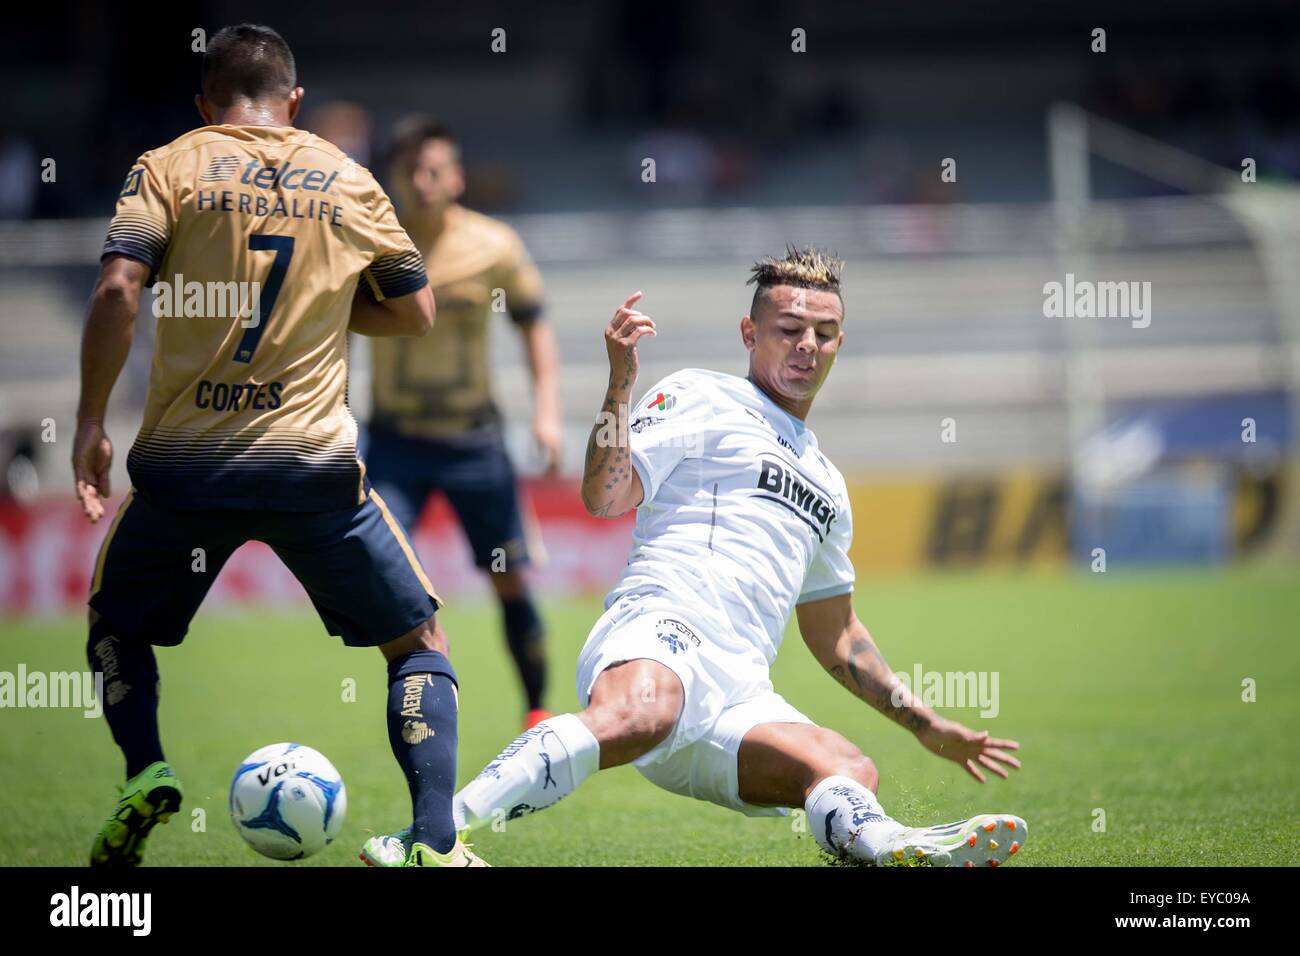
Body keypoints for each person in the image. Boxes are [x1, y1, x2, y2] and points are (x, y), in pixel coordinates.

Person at [363, 246, 1027, 867]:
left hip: (739, 692)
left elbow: (838, 634)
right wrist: (620, 383)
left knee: (847, 769)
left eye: (822, 333)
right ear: (750, 333)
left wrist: (923, 721)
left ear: (839, 343)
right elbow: (604, 495)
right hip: (659, 631)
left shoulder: (827, 482)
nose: (806, 346)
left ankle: (891, 848)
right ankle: (436, 836)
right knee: (644, 709)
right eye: (788, 328)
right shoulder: (702, 396)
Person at [77, 24, 481, 867]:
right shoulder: (346, 175)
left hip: (187, 467)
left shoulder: (170, 164)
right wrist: (326, 309)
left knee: (118, 624)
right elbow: (415, 312)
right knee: (417, 644)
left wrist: (88, 423)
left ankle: (145, 768)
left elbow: (119, 288)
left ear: (205, 102)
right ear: (294, 103)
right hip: (312, 466)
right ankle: (434, 839)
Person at [363, 117, 560, 729]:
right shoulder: (369, 244)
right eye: (410, 171)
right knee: (390, 578)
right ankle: (419, 712)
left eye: (435, 170)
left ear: (456, 177)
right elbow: (336, 330)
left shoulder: (494, 246)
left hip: (474, 442)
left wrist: (546, 412)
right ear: (392, 178)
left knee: (508, 577)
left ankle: (535, 709)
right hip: (394, 441)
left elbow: (532, 323)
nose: (423, 182)